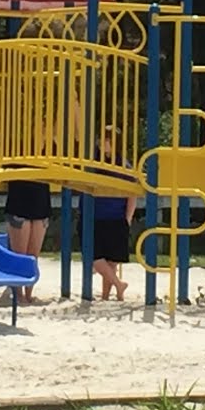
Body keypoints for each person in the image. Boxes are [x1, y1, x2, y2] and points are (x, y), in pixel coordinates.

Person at [86, 126, 135, 300]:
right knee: (93, 256)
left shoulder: (124, 166)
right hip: (96, 216)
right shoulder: (95, 163)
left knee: (111, 260)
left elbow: (131, 195)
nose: (101, 143)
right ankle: (118, 284)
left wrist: (127, 218)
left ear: (114, 143)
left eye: (105, 140)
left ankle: (107, 295)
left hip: (115, 217)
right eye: (101, 139)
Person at [3, 176, 50, 303]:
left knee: (33, 257)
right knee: (20, 255)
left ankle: (28, 294)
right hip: (19, 200)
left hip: (40, 202)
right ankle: (18, 294)